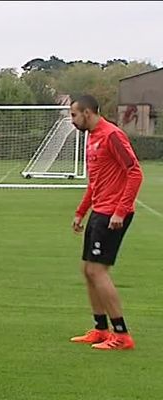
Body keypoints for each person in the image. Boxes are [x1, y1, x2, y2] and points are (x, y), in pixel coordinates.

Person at [69, 94, 143, 350]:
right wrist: (81, 211)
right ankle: (101, 329)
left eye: (73, 115)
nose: (72, 120)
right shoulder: (92, 138)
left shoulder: (112, 135)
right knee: (88, 270)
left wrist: (121, 211)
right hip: (99, 212)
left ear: (87, 113)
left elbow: (135, 172)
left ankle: (121, 335)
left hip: (113, 214)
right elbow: (96, 182)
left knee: (97, 271)